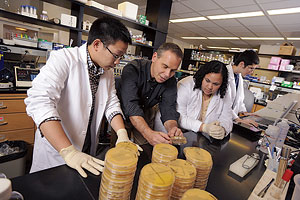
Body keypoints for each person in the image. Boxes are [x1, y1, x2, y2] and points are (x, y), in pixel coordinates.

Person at [24, 17, 139, 178]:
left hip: (86, 151)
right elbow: (40, 102)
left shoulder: (107, 71)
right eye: (116, 55)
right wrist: (68, 152)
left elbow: (111, 103)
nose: (117, 62)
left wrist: (121, 133)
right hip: (58, 152)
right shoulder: (63, 59)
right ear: (97, 44)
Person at [118, 43, 183, 151]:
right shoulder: (133, 69)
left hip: (144, 114)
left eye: (173, 70)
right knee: (120, 150)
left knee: (145, 149)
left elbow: (168, 108)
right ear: (154, 57)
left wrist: (173, 128)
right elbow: (131, 105)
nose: (167, 74)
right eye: (165, 66)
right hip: (122, 112)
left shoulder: (170, 81)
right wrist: (148, 133)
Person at [156, 60, 232, 141]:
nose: (210, 87)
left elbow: (227, 117)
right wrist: (204, 127)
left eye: (216, 84)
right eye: (207, 80)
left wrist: (222, 129)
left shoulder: (224, 92)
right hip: (171, 129)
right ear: (202, 76)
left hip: (196, 136)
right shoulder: (186, 85)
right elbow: (179, 116)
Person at [227, 50, 260, 127]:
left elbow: (239, 99)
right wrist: (238, 119)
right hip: (218, 119)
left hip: (230, 118)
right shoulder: (225, 74)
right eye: (251, 68)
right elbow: (223, 102)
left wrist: (244, 112)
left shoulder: (239, 77)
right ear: (242, 64)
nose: (252, 72)